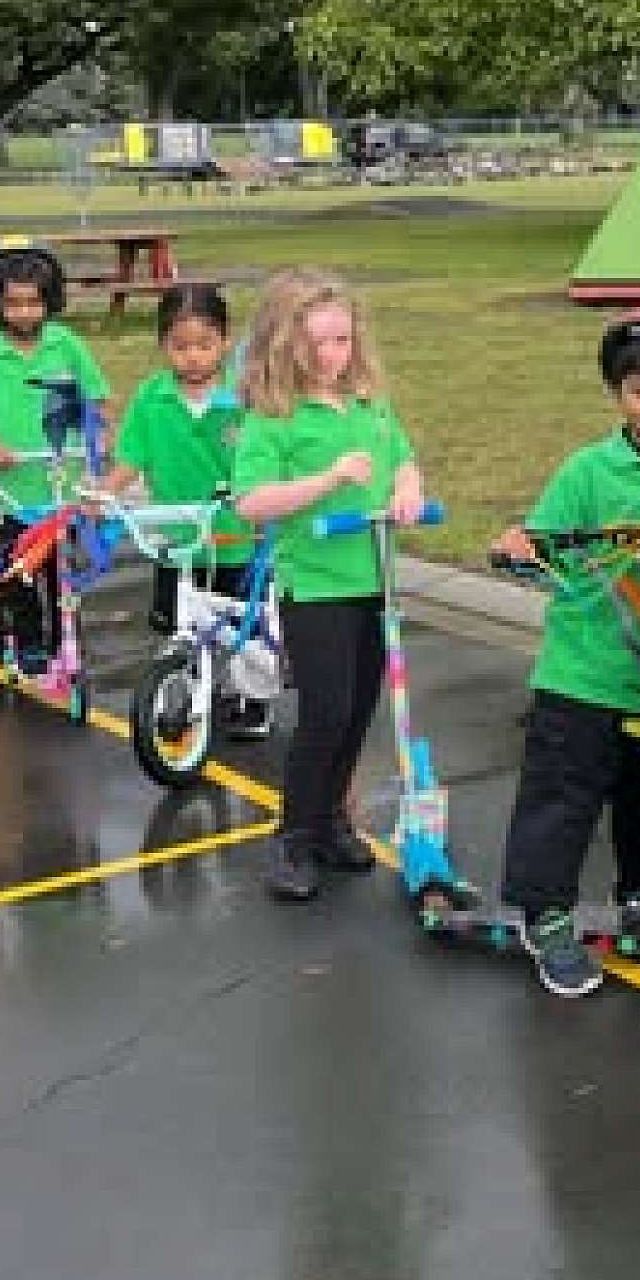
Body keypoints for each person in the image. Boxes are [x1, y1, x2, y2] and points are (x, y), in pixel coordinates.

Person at [495, 305, 640, 998]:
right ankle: (546, 917)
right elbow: (539, 541)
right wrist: (521, 548)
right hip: (585, 671)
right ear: (619, 395)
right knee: (562, 797)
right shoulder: (591, 471)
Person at [232, 270, 424, 904]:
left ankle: (331, 819)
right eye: (314, 342)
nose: (330, 355)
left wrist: (407, 489)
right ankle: (293, 835)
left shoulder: (368, 404)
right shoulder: (275, 419)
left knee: (360, 709)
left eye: (341, 340)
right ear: (284, 344)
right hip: (316, 588)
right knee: (326, 712)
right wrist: (329, 480)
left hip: (375, 580)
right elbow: (253, 501)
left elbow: (402, 457)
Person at [101, 282, 271, 738]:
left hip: (234, 535)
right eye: (180, 347)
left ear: (225, 342)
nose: (192, 357)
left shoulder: (244, 399)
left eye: (204, 345)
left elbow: (265, 459)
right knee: (179, 623)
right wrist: (104, 494)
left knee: (242, 625)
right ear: (163, 345)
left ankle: (253, 699)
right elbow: (131, 458)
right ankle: (193, 685)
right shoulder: (151, 398)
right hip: (175, 538)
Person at [0, 244, 110, 665]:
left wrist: (99, 438)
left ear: (49, 300)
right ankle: (27, 639)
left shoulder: (66, 345)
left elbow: (97, 398)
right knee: (19, 567)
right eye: (13, 303)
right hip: (11, 488)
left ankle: (63, 641)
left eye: (33, 302)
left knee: (60, 570)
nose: (24, 313)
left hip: (61, 483)